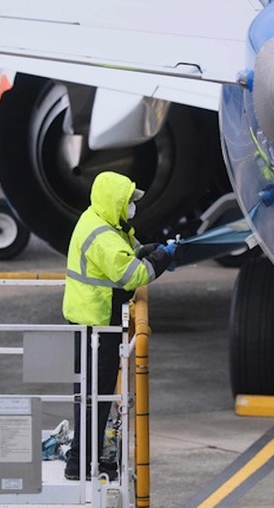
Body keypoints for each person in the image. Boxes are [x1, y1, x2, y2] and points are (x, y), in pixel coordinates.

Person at [62, 171, 179, 481]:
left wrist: (151, 250)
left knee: (90, 395)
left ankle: (82, 460)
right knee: (95, 396)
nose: (131, 207)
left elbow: (128, 253)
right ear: (114, 201)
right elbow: (133, 275)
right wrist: (162, 259)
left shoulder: (100, 222)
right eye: (128, 201)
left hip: (91, 322)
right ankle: (81, 465)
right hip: (96, 326)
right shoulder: (102, 236)